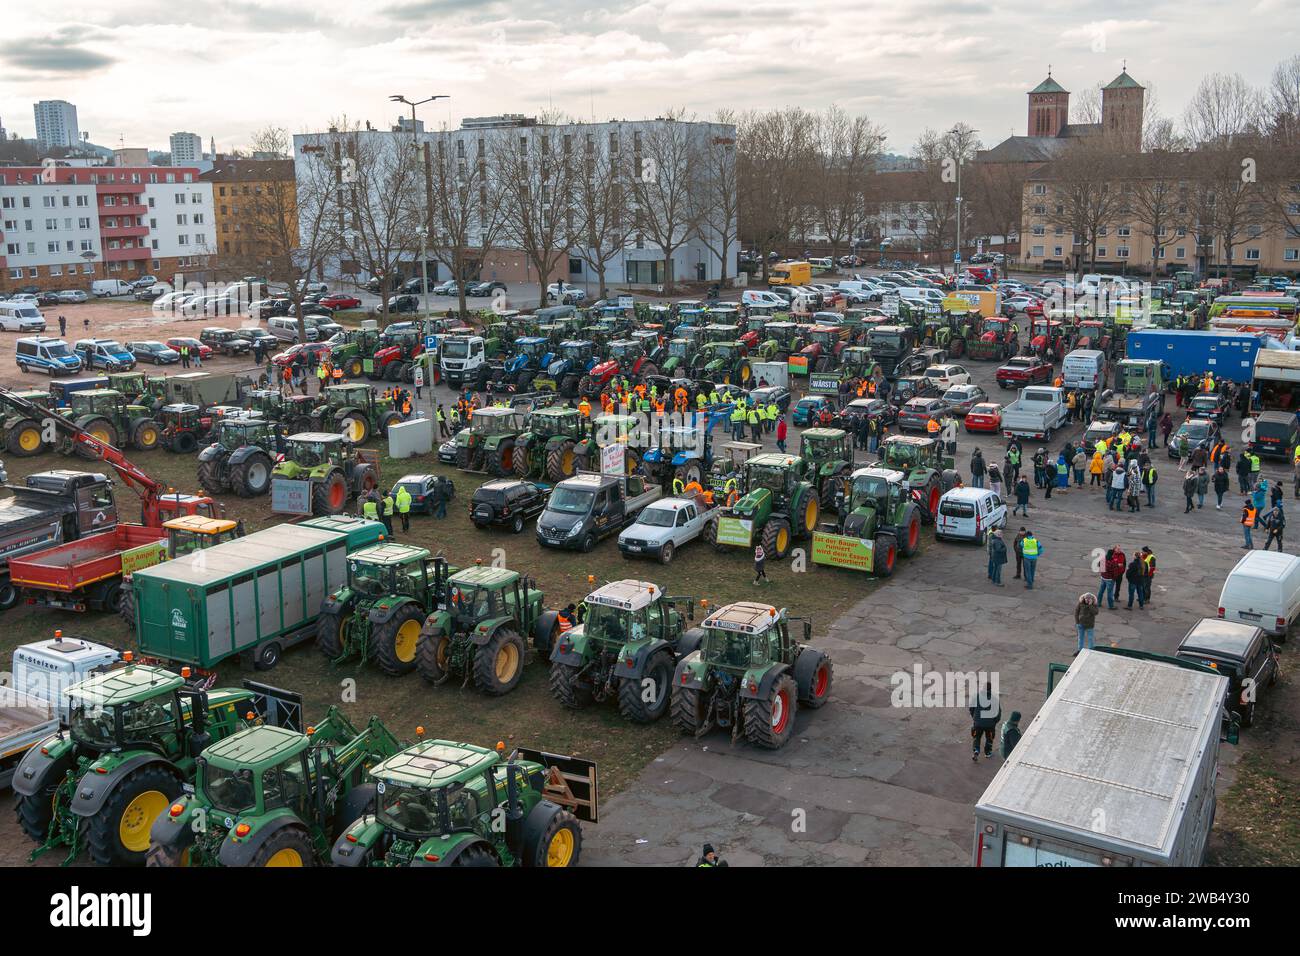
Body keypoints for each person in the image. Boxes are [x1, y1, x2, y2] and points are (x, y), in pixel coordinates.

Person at [969, 681, 1000, 761]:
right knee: (989, 737)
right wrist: (995, 721)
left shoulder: (976, 697)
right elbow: (998, 713)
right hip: (990, 725)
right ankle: (988, 752)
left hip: (978, 723)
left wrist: (975, 718)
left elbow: (971, 708)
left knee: (977, 737)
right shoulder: (994, 699)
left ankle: (976, 750)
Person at [1098, 545, 1124, 610]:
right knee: (1110, 593)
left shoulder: (1103, 559)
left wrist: (1102, 572)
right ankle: (1111, 605)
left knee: (1101, 591)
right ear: (1112, 555)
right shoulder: (1113, 562)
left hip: (1103, 577)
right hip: (1110, 579)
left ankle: (1098, 602)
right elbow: (1115, 572)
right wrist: (1114, 578)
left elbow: (1099, 565)